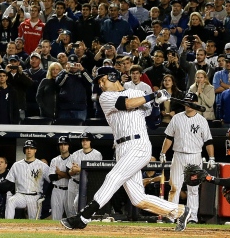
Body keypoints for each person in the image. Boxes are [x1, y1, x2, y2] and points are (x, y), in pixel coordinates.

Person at [61, 67, 191, 232]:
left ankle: (84, 216)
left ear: (113, 76)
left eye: (103, 80)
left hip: (139, 145)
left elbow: (153, 123)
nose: (100, 84)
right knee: (138, 199)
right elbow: (126, 104)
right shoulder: (106, 97)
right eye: (99, 82)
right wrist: (152, 96)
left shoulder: (137, 94)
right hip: (122, 148)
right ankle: (179, 211)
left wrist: (157, 105)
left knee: (113, 176)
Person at [160, 92, 215, 224]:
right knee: (175, 186)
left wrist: (211, 157)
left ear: (196, 104)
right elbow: (169, 138)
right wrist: (163, 153)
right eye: (186, 102)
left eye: (191, 102)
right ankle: (172, 214)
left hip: (195, 156)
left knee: (193, 188)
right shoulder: (176, 118)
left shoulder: (202, 121)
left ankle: (192, 217)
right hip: (178, 155)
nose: (188, 104)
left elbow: (208, 141)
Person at [4, 140, 50, 219]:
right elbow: (9, 182)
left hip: (35, 196)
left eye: (31, 148)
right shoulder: (16, 165)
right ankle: (8, 224)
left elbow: (52, 181)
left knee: (33, 222)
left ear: (35, 150)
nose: (29, 150)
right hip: (20, 195)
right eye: (27, 148)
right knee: (11, 201)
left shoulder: (42, 166)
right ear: (24, 150)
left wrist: (45, 195)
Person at [65, 132, 102, 217]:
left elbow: (96, 173)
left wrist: (80, 170)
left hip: (85, 185)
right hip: (73, 182)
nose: (84, 142)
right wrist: (72, 171)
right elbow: (68, 171)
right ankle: (72, 225)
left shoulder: (97, 154)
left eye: (87, 140)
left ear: (91, 142)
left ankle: (80, 221)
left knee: (77, 205)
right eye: (83, 140)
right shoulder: (75, 154)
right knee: (70, 208)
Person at [48, 136, 72, 220]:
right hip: (57, 190)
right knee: (55, 217)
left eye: (65, 144)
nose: (63, 146)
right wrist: (65, 174)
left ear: (68, 146)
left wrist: (58, 173)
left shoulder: (73, 158)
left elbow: (72, 176)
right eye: (61, 144)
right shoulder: (54, 160)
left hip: (70, 190)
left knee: (71, 215)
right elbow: (51, 177)